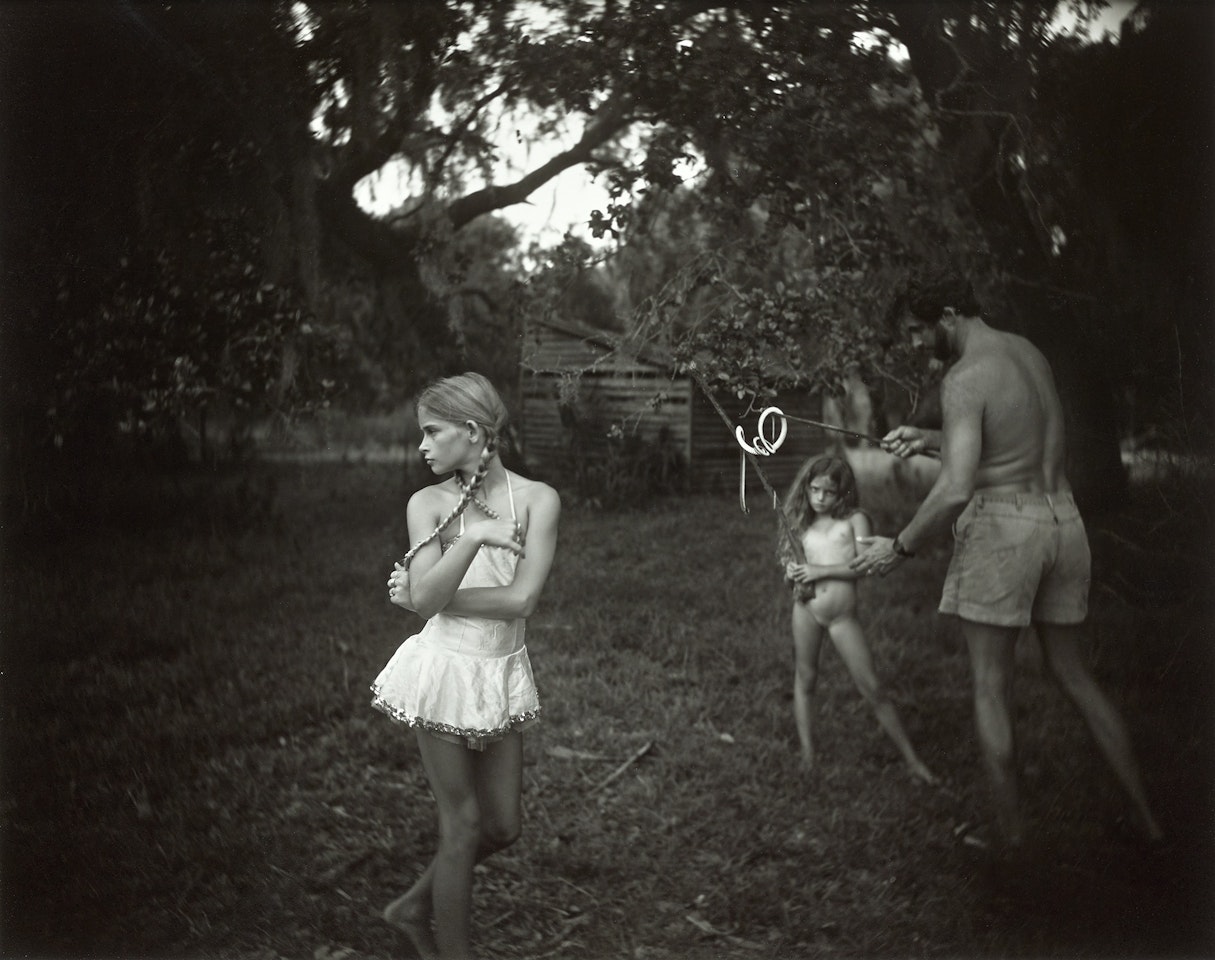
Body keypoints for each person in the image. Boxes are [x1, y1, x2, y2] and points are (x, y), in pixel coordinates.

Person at [851, 265, 1163, 850]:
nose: (919, 344)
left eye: (920, 331)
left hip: (1003, 529)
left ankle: (1012, 846)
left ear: (949, 315)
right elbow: (1015, 443)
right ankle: (1150, 823)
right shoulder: (1027, 353)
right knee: (1074, 674)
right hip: (1062, 520)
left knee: (990, 686)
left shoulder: (965, 377)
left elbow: (955, 489)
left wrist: (898, 548)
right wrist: (931, 440)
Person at [372, 372, 561, 960]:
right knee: (462, 826)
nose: (423, 446)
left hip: (499, 667)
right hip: (446, 668)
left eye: (433, 432)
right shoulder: (426, 503)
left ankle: (409, 907)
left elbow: (520, 600)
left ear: (473, 431)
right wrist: (473, 535)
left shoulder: (537, 500)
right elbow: (424, 606)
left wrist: (426, 593)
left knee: (503, 826)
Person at [781, 455, 937, 785]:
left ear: (843, 493)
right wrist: (794, 573)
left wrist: (818, 570)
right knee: (805, 678)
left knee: (872, 687)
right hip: (805, 608)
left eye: (829, 492)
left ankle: (912, 760)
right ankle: (808, 755)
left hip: (840, 616)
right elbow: (796, 562)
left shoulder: (854, 521)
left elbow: (865, 565)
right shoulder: (804, 521)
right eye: (814, 490)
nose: (820, 498)